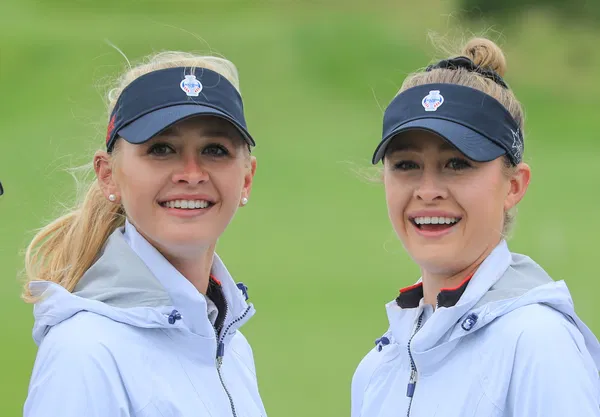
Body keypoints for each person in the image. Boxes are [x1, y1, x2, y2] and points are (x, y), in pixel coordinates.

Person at [351, 37, 600, 417]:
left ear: (514, 186)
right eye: (406, 165)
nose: (428, 191)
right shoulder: (377, 369)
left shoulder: (537, 343)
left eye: (458, 164)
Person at [23, 51, 267, 417]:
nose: (191, 174)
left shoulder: (231, 346)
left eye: (214, 150)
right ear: (108, 175)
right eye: (161, 149)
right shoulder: (85, 352)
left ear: (246, 178)